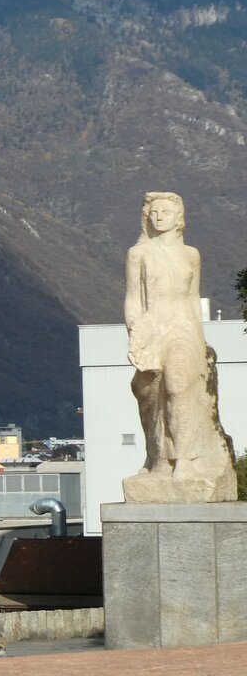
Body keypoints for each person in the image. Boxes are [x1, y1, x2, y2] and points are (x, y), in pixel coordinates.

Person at [123, 192, 235, 500]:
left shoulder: (191, 255)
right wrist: (136, 331)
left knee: (178, 386)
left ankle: (184, 458)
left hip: (184, 329)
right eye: (154, 212)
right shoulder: (138, 254)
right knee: (152, 395)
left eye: (166, 211)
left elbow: (192, 299)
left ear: (178, 217)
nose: (159, 216)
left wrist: (199, 341)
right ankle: (159, 456)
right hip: (152, 328)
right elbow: (133, 298)